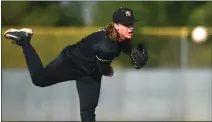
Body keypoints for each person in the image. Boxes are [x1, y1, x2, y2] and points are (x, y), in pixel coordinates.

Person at [4, 7, 149, 122]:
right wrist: (109, 71)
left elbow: (125, 47)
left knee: (88, 113)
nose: (131, 27)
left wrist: (132, 53)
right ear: (116, 25)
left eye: (131, 24)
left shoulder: (121, 38)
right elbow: (104, 68)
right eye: (126, 24)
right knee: (38, 79)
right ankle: (24, 40)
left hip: (90, 72)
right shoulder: (106, 46)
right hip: (71, 62)